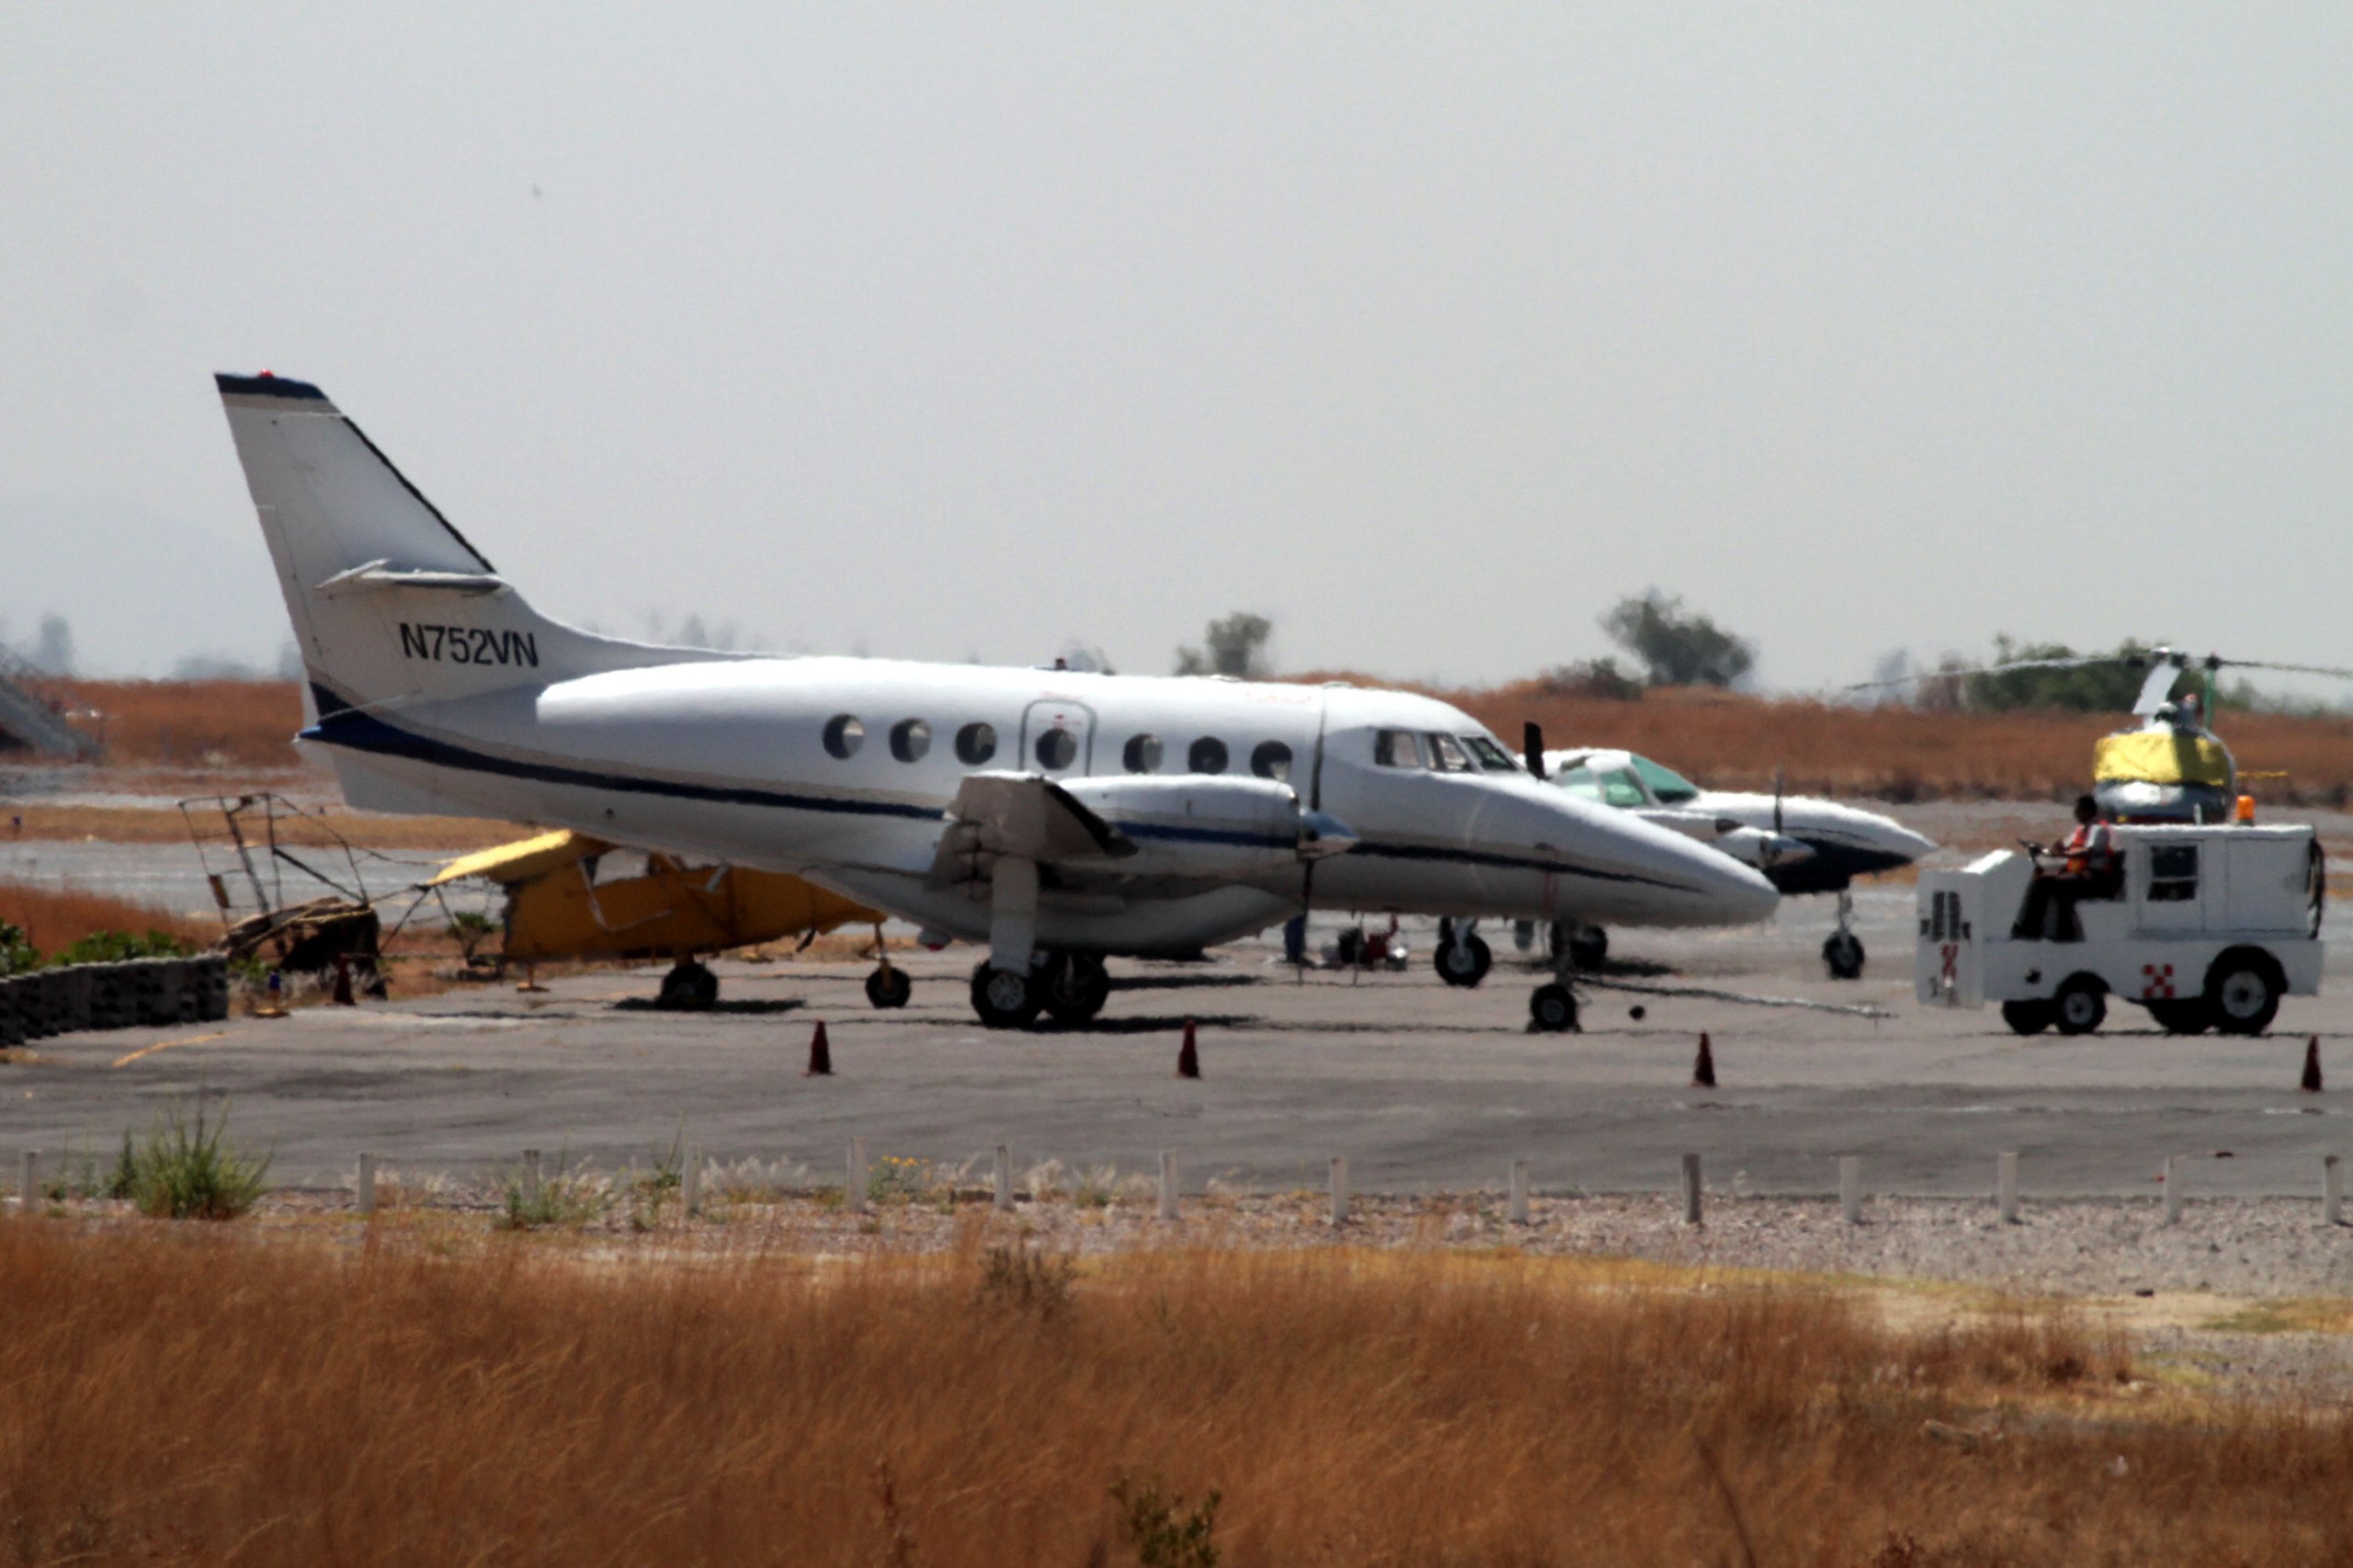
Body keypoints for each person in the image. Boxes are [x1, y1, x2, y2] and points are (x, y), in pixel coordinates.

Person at [2012, 795, 2117, 940]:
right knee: (2042, 881)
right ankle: (2030, 928)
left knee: (2064, 884)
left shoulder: (2099, 830)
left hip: (2097, 878)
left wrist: (2065, 854)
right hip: (2080, 874)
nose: (2075, 813)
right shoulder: (2080, 830)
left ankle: (2066, 931)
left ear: (2087, 811)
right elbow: (2064, 846)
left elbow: (2088, 852)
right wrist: (2048, 849)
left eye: (2078, 810)